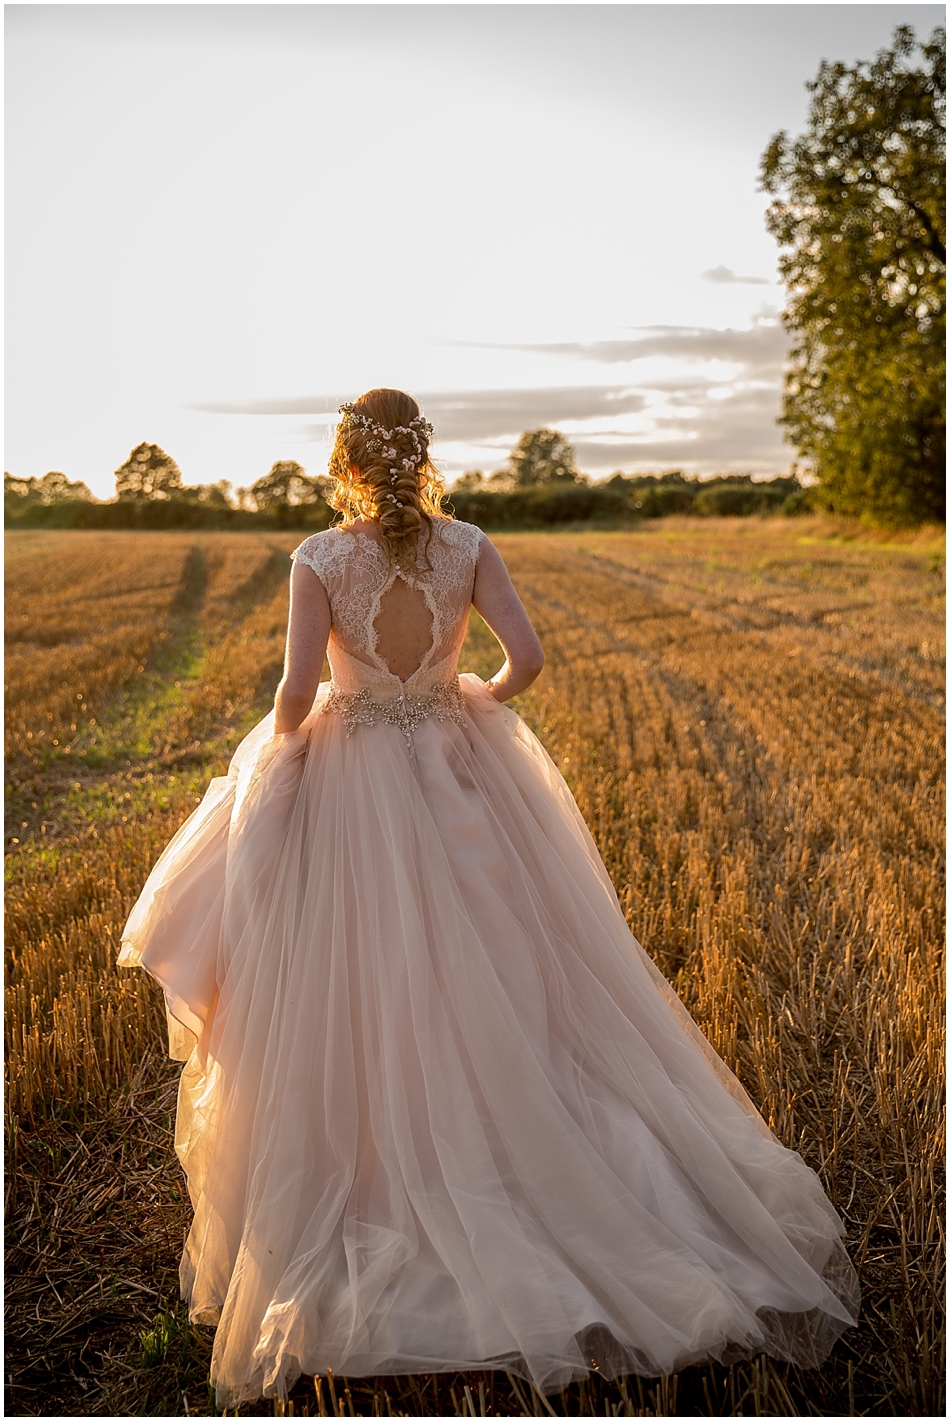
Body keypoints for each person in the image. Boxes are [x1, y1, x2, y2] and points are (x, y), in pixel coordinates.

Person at [119, 389, 859, 1408]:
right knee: (501, 962)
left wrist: (274, 756)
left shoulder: (317, 559)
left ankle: (385, 1152)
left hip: (353, 780)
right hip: (454, 767)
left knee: (364, 976)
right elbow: (528, 660)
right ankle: (536, 1148)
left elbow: (296, 691)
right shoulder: (467, 542)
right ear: (420, 455)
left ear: (343, 462)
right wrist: (463, 695)